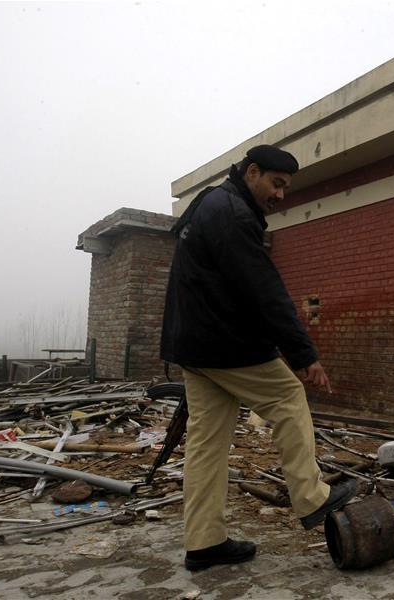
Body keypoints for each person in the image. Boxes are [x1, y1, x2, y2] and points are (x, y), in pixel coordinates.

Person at [160, 144, 358, 571]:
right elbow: (264, 291)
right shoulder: (233, 214)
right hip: (223, 343)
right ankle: (312, 498)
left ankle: (204, 542)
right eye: (276, 183)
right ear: (252, 172)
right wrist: (304, 355)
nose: (281, 195)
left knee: (207, 446)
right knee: (288, 397)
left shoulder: (210, 203)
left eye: (286, 187)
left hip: (193, 345)